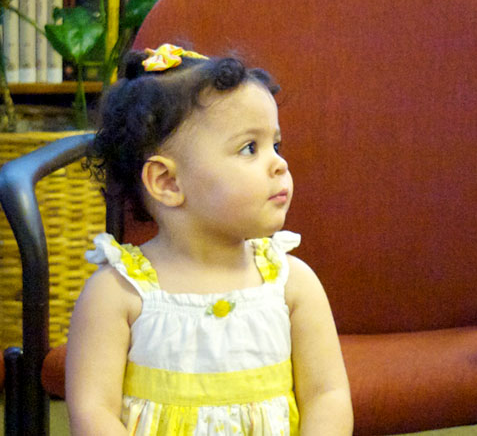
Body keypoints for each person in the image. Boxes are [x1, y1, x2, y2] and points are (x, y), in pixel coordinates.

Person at [66, 44, 353, 435]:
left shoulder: (292, 284)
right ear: (167, 182)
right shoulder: (117, 293)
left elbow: (328, 394)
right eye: (249, 148)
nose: (279, 163)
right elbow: (92, 411)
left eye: (276, 144)